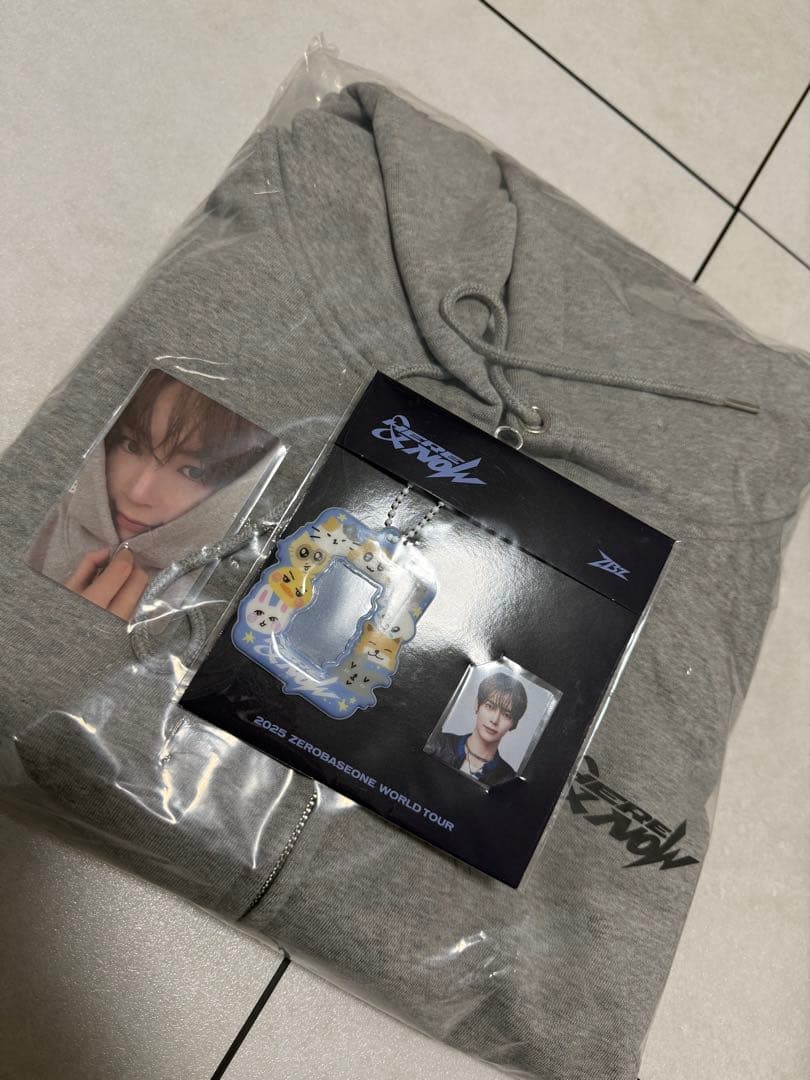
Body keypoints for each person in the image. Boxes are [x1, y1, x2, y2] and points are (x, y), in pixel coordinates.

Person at [26, 369, 279, 620]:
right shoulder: (36, 499)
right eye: (132, 445)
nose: (138, 493)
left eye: (193, 472)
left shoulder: (242, 599)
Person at [428, 670, 528, 786]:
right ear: (477, 704)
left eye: (506, 715)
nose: (495, 720)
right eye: (490, 706)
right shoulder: (439, 744)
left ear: (514, 723)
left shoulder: (508, 779)